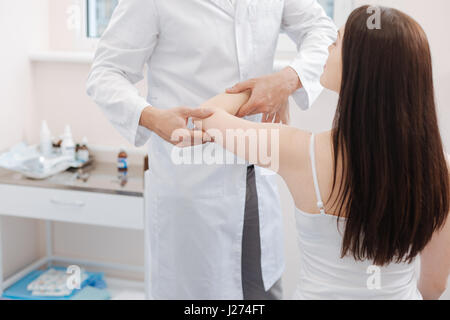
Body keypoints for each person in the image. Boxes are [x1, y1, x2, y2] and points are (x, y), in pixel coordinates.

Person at [193, 6, 450, 299]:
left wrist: (269, 85)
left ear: (360, 67)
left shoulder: (300, 152)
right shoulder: (439, 171)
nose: (327, 49)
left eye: (337, 42)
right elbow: (435, 284)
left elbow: (206, 116)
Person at [86, 0, 336, 299]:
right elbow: (106, 72)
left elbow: (322, 29)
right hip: (191, 184)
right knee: (198, 295)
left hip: (256, 174)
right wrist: (152, 117)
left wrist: (286, 80)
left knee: (262, 292)